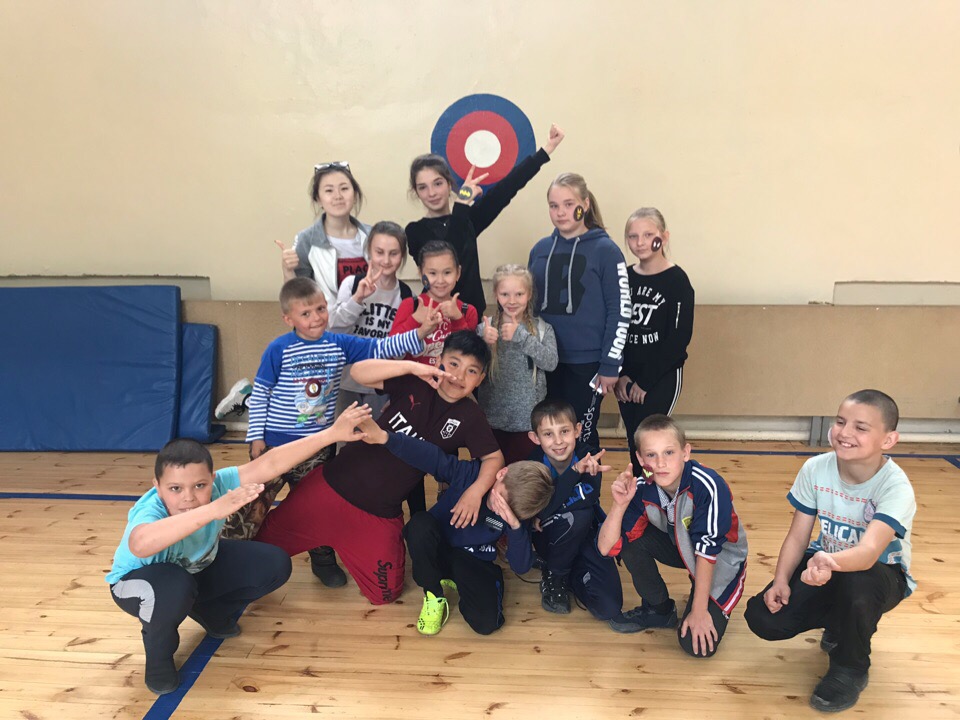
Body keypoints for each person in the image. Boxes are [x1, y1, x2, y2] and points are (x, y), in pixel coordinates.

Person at [106, 404, 370, 695]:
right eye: (175, 489)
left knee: (274, 563)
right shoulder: (151, 508)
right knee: (175, 585)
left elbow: (271, 464)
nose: (189, 497)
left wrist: (331, 434)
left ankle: (207, 608)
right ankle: (158, 660)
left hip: (194, 569)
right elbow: (140, 544)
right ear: (157, 487)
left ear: (212, 479)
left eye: (200, 485)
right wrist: (212, 510)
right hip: (137, 586)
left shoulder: (220, 484)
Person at [253, 332, 505, 605]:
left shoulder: (471, 416)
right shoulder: (416, 381)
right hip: (331, 486)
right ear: (439, 360)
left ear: (480, 379)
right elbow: (358, 372)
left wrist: (474, 492)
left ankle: (345, 542)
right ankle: (324, 545)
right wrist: (412, 366)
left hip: (379, 513)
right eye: (453, 364)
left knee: (385, 595)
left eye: (471, 371)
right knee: (259, 551)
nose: (459, 376)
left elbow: (494, 458)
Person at [221, 277, 434, 589]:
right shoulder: (278, 349)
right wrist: (256, 438)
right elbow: (262, 393)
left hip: (317, 446)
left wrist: (420, 332)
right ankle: (230, 562)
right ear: (288, 319)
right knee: (250, 508)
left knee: (315, 507)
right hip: (273, 448)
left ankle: (322, 560)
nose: (316, 317)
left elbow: (381, 347)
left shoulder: (338, 344)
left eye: (321, 309)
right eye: (306, 313)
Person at [744, 390, 916, 713]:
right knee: (763, 617)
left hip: (879, 575)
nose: (844, 432)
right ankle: (840, 625)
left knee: (857, 584)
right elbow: (798, 537)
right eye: (840, 421)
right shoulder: (816, 468)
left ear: (889, 439)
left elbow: (868, 552)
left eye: (860, 427)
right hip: (827, 562)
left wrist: (828, 561)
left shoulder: (895, 486)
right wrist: (780, 580)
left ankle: (851, 668)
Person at [357, 417, 553, 635]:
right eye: (500, 500)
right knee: (419, 525)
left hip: (472, 558)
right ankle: (434, 594)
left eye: (508, 511)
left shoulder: (517, 512)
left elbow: (520, 566)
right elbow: (430, 456)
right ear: (501, 473)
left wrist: (515, 525)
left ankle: (462, 579)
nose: (500, 510)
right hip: (439, 545)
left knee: (487, 624)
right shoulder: (470, 474)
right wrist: (386, 438)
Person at [598, 414, 748, 657]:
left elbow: (708, 551)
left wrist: (699, 611)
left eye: (669, 452)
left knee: (696, 647)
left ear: (685, 453)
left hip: (718, 558)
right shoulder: (642, 487)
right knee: (630, 542)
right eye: (651, 455)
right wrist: (619, 505)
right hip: (680, 545)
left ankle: (700, 592)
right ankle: (659, 609)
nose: (660, 463)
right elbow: (606, 547)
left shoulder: (708, 484)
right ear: (640, 458)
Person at [406, 124, 565, 315]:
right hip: (436, 320)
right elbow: (448, 255)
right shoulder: (414, 231)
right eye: (423, 187)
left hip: (472, 320)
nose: (431, 193)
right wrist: (461, 205)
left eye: (437, 183)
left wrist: (546, 150)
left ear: (449, 184)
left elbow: (506, 189)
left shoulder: (466, 219)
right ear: (416, 192)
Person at [528, 173, 630, 453]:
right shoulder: (540, 250)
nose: (560, 212)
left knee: (580, 433)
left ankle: (587, 482)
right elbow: (528, 307)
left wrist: (611, 364)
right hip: (546, 360)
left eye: (568, 204)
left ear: (584, 204)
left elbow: (620, 310)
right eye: (553, 205)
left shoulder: (606, 251)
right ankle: (550, 483)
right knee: (549, 434)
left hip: (588, 364)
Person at [527, 399, 624, 625]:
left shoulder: (589, 456)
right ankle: (555, 574)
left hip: (584, 533)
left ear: (577, 430)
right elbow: (536, 506)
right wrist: (574, 472)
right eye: (548, 434)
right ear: (535, 438)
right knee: (578, 516)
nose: (558, 441)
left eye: (564, 431)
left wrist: (544, 509)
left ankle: (570, 572)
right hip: (549, 536)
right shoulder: (532, 464)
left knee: (607, 607)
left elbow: (583, 499)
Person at [616, 208, 694, 464]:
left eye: (648, 235)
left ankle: (659, 486)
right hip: (627, 377)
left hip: (660, 377)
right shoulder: (624, 277)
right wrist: (621, 375)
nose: (640, 242)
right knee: (635, 442)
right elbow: (616, 329)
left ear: (664, 237)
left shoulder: (677, 280)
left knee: (653, 441)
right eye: (633, 236)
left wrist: (645, 382)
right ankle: (642, 487)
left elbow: (678, 340)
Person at [328, 221, 414, 418]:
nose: (386, 260)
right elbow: (334, 330)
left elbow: (402, 348)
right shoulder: (352, 284)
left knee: (376, 434)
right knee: (344, 435)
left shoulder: (407, 295)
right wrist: (357, 298)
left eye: (394, 253)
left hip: (381, 384)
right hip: (345, 381)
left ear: (402, 255)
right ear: (369, 252)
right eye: (379, 252)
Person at [478, 264, 558, 464]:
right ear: (496, 295)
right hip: (491, 420)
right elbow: (472, 370)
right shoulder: (485, 328)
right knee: (492, 475)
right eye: (505, 294)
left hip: (528, 424)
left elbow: (551, 363)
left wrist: (522, 337)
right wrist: (481, 342)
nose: (512, 301)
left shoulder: (542, 329)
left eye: (519, 294)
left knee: (523, 476)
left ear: (529, 294)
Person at [276, 162, 369, 304]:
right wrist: (288, 271)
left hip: (373, 317)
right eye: (329, 190)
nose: (338, 196)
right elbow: (298, 298)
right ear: (318, 199)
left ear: (355, 195)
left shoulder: (372, 235)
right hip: (327, 317)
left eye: (344, 188)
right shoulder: (306, 240)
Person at [390, 240, 478, 368]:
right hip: (413, 380)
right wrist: (414, 320)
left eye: (447, 272)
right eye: (432, 273)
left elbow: (469, 357)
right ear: (421, 273)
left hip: (450, 380)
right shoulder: (411, 305)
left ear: (458, 273)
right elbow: (391, 352)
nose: (440, 280)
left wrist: (458, 320)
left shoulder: (467, 311)